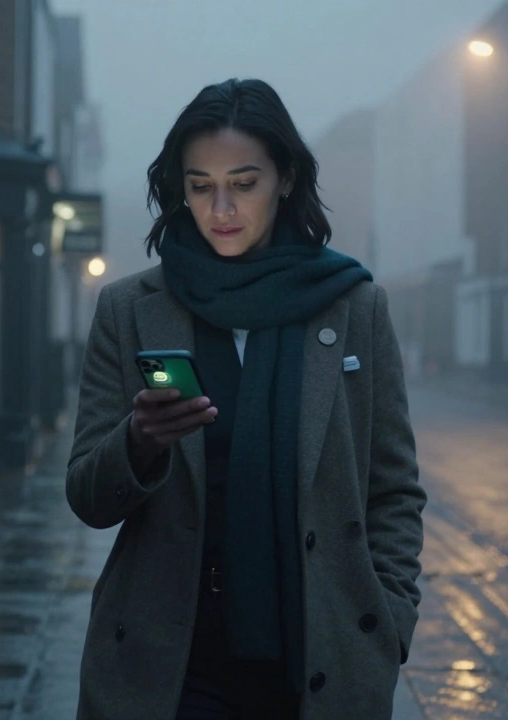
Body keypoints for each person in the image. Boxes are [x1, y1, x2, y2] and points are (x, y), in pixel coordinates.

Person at [65, 78, 426, 720]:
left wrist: (388, 620)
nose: (220, 208)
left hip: (318, 659)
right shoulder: (129, 310)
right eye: (200, 185)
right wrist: (138, 444)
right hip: (171, 666)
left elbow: (391, 488)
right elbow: (88, 498)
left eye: (244, 182)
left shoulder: (355, 307)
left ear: (285, 178)